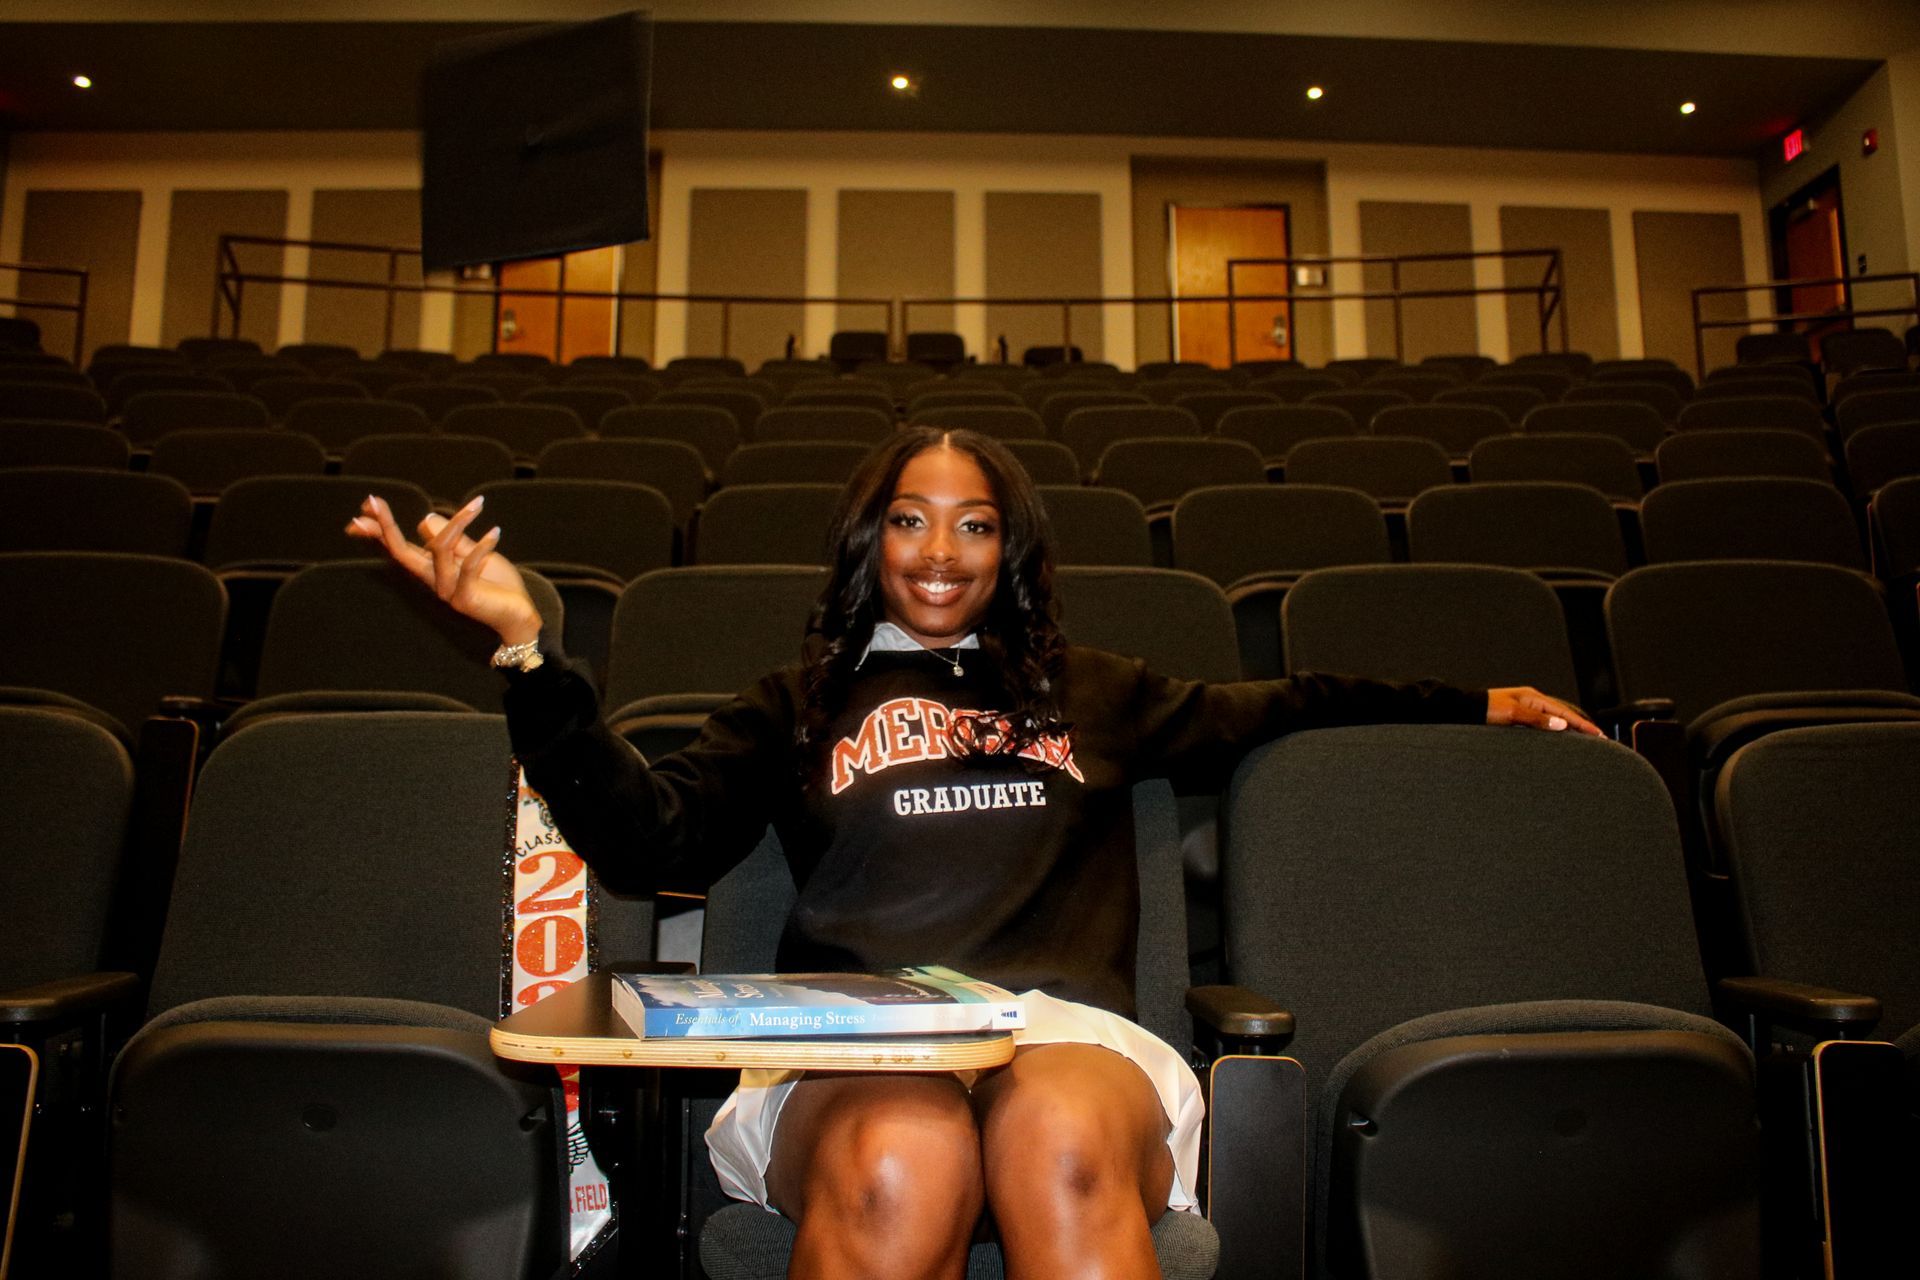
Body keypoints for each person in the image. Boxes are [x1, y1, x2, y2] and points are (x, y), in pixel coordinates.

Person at [349, 426, 1599, 1280]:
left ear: (1012, 549)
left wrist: (1487, 699)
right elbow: (642, 842)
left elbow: (1290, 701)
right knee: (906, 1142)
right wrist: (525, 648)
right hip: (848, 1052)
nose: (940, 550)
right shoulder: (794, 702)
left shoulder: (1095, 692)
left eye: (975, 524)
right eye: (909, 519)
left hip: (1064, 1035)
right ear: (867, 538)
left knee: (1054, 1127)